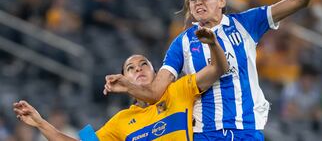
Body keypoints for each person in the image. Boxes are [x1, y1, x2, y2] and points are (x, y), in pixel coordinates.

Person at [107, 0, 322, 140]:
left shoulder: (246, 23)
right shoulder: (182, 42)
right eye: (193, 0)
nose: (198, 2)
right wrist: (129, 86)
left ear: (221, 2)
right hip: (205, 133)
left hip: (247, 130)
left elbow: (299, 0)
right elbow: (155, 92)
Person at [13, 27, 229, 141]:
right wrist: (41, 123)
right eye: (131, 68)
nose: (139, 69)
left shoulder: (178, 90)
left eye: (144, 64)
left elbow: (218, 69)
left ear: (156, 73)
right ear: (124, 77)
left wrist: (213, 45)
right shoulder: (120, 121)